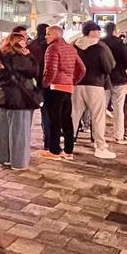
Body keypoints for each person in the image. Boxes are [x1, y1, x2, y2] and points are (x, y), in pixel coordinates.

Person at [0, 31, 41, 169]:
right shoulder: (20, 57)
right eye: (24, 40)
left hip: (2, 97)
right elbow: (34, 71)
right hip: (20, 97)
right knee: (20, 131)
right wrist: (30, 56)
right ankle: (18, 162)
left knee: (3, 130)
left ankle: (3, 158)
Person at [72, 22, 117, 160]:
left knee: (74, 115)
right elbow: (109, 67)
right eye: (98, 31)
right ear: (91, 32)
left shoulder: (74, 46)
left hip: (77, 85)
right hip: (96, 84)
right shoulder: (99, 47)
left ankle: (68, 143)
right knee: (98, 116)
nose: (99, 33)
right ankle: (100, 146)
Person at [41, 25, 85, 160]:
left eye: (48, 34)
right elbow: (82, 68)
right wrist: (72, 81)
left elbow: (51, 70)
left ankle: (54, 150)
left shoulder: (53, 48)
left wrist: (45, 84)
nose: (46, 36)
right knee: (67, 120)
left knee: (54, 120)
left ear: (55, 35)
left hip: (55, 87)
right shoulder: (71, 48)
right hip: (67, 87)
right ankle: (68, 150)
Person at [101, 22, 127, 146]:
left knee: (100, 109)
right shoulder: (120, 43)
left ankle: (98, 136)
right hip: (119, 78)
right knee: (118, 108)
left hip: (103, 79)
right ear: (115, 30)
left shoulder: (101, 43)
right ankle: (118, 136)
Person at [28, 23, 51, 151]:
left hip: (32, 81)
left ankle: (25, 138)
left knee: (28, 112)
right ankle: (47, 141)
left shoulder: (31, 45)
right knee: (46, 112)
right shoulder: (50, 45)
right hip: (46, 82)